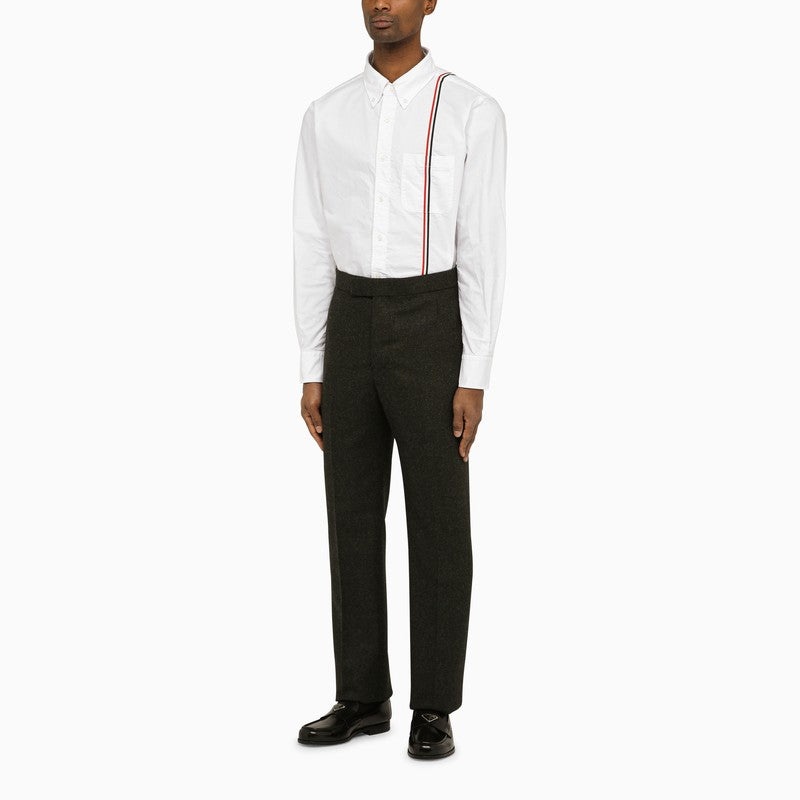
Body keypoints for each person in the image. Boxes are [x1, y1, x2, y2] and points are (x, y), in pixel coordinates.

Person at [292, 0, 507, 759]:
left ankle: (434, 706)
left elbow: (482, 244)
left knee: (440, 520)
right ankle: (361, 695)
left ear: (430, 1)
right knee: (350, 513)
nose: (380, 2)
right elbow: (311, 238)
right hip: (350, 319)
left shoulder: (472, 112)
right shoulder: (326, 116)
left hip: (430, 319)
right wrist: (314, 363)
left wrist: (474, 371)